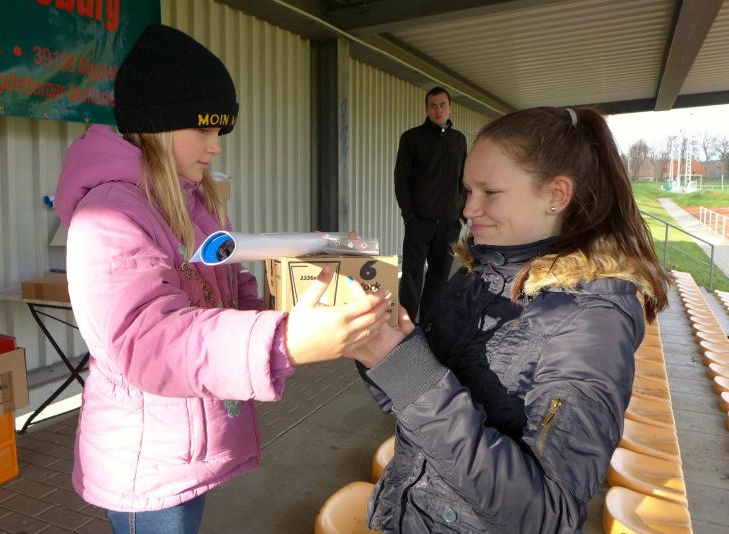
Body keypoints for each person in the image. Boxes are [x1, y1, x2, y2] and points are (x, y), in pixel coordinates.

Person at [54, 24, 389, 533]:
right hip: (147, 459)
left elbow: (232, 292)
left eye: (221, 133)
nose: (215, 148)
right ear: (159, 123)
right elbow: (148, 342)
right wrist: (284, 340)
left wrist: (297, 307)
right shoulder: (110, 215)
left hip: (184, 440)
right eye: (205, 130)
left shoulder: (195, 201)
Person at [352, 107, 671, 533]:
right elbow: (410, 401)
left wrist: (408, 373)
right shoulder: (482, 271)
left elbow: (549, 515)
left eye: (490, 192)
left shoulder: (592, 321)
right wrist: (373, 341)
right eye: (467, 190)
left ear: (556, 195)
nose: (468, 209)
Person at [394, 86, 467, 322]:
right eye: (433, 106)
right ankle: (406, 325)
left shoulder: (458, 140)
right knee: (412, 276)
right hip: (420, 222)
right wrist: (409, 216)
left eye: (442, 105)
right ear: (426, 109)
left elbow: (464, 179)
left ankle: (429, 327)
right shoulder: (412, 138)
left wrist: (462, 215)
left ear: (450, 108)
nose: (438, 110)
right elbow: (401, 180)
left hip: (449, 224)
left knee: (439, 277)